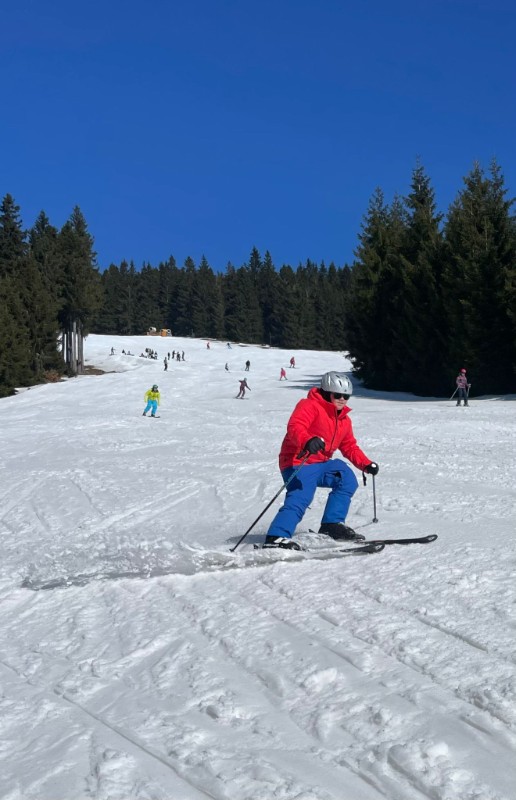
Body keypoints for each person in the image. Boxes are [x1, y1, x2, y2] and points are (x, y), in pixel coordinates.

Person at [263, 371, 379, 550]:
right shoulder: (309, 405)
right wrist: (307, 440)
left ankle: (331, 526)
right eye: (337, 395)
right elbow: (296, 426)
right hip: (298, 461)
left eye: (346, 396)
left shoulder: (343, 420)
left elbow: (349, 446)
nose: (342, 399)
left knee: (345, 477)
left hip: (321, 464)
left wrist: (365, 464)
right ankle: (276, 537)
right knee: (301, 496)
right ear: (326, 393)